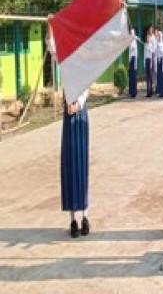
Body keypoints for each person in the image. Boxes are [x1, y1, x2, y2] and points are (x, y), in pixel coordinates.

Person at [46, 24, 91, 238]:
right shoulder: (66, 59)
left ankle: (85, 216)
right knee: (70, 166)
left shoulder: (84, 60)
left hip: (80, 115)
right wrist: (50, 27)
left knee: (81, 164)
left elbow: (87, 86)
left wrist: (78, 105)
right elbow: (52, 49)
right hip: (68, 115)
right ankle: (73, 219)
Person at [156, 31, 163, 98]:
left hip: (161, 61)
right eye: (158, 36)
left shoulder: (162, 45)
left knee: (162, 77)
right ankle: (159, 91)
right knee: (159, 77)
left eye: (160, 36)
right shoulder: (157, 44)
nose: (159, 37)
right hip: (158, 61)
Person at [128, 28, 138, 98]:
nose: (131, 35)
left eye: (132, 34)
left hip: (134, 59)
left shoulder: (134, 42)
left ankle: (134, 92)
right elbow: (129, 53)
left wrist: (135, 64)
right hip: (131, 59)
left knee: (134, 76)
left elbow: (135, 53)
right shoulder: (130, 42)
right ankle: (131, 91)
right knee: (131, 76)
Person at [144, 31, 154, 98]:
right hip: (146, 60)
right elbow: (144, 55)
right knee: (147, 77)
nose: (148, 38)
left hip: (150, 61)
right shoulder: (145, 45)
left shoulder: (151, 45)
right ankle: (148, 91)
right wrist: (144, 64)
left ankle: (151, 91)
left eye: (149, 37)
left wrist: (151, 64)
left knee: (150, 77)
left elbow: (152, 54)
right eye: (147, 37)